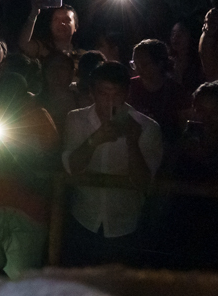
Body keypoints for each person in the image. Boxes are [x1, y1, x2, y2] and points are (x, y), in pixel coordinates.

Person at [62, 61, 163, 266]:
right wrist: (94, 140)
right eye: (103, 93)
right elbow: (72, 168)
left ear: (126, 94)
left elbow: (144, 183)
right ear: (92, 93)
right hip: (83, 218)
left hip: (125, 224)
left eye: (116, 94)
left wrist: (132, 141)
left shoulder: (147, 127)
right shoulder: (76, 119)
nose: (110, 101)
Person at [0, 72, 59, 280]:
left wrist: (19, 157)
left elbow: (54, 157)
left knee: (22, 274)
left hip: (28, 207)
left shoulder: (39, 116)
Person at [127, 39, 191, 143]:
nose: (138, 69)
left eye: (144, 64)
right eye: (135, 64)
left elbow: (184, 128)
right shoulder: (128, 87)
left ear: (160, 63)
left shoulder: (176, 91)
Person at [37, 51, 78, 140]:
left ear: (72, 73)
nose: (56, 73)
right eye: (52, 67)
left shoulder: (81, 102)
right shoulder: (33, 103)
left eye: (62, 68)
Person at [169, 19, 204, 91]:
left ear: (190, 35)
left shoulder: (199, 61)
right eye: (173, 33)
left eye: (180, 34)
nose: (175, 37)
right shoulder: (168, 61)